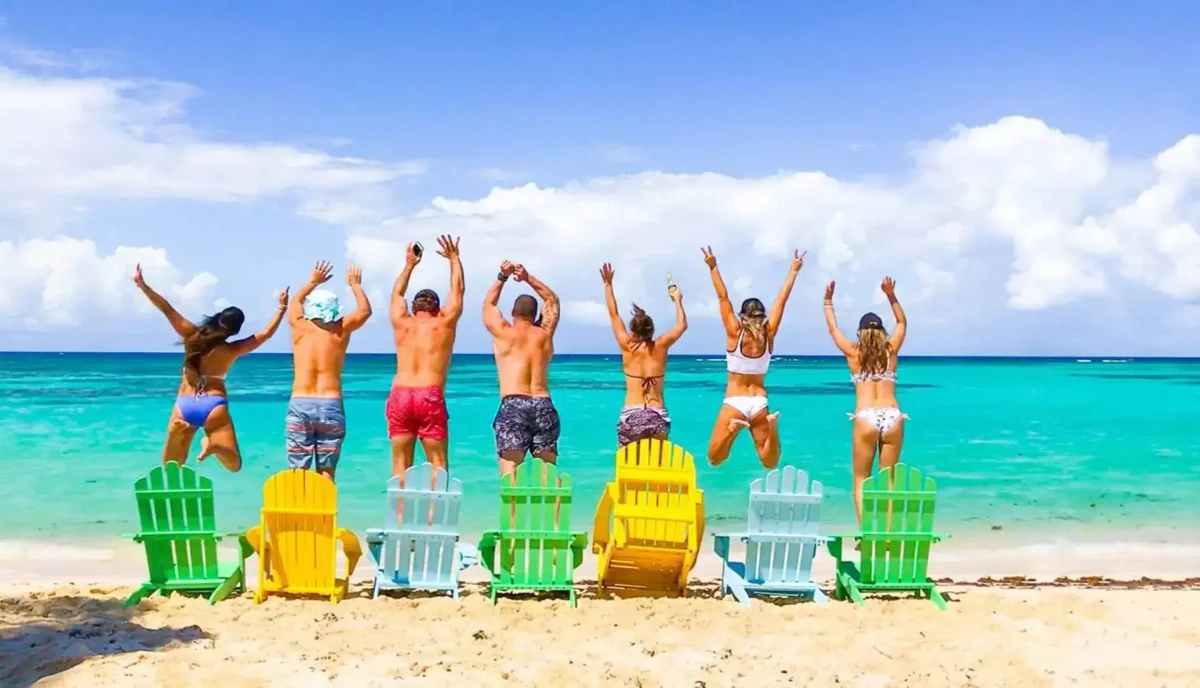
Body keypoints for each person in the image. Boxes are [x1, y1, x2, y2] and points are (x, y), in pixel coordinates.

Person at [133, 263, 287, 472]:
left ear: (217, 317)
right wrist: (282, 308)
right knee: (234, 464)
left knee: (171, 467)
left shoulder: (190, 335)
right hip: (214, 405)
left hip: (185, 402)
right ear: (235, 330)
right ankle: (214, 445)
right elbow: (266, 333)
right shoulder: (233, 349)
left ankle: (175, 433)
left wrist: (143, 286)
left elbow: (167, 308)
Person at [702, 246, 804, 469]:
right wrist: (793, 271)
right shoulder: (768, 335)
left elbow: (722, 297)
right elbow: (781, 300)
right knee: (769, 462)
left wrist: (713, 267)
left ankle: (733, 430)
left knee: (714, 458)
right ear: (762, 316)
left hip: (734, 401)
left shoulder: (735, 333)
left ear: (742, 316)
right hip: (759, 402)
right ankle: (773, 428)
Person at [824, 277, 908, 525]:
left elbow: (833, 329)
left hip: (866, 416)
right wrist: (891, 295)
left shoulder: (853, 352)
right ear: (882, 332)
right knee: (888, 479)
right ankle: (888, 532)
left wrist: (828, 302)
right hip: (893, 416)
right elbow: (902, 322)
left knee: (861, 478)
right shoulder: (891, 350)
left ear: (861, 332)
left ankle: (866, 531)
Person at [285, 261, 373, 482]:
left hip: (301, 402)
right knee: (327, 471)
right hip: (330, 403)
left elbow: (295, 301)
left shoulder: (300, 327)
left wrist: (313, 281)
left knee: (298, 472)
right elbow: (365, 311)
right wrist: (355, 285)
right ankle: (326, 516)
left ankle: (300, 515)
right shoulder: (340, 330)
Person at [386, 235, 464, 480]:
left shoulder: (401, 322)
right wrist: (454, 259)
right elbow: (458, 291)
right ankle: (435, 515)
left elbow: (397, 294)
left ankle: (399, 515)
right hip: (428, 394)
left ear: (413, 307)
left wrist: (409, 265)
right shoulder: (443, 324)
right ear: (437, 308)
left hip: (400, 394)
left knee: (400, 462)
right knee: (437, 462)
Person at [482, 260, 561, 477]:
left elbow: (488, 305)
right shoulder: (544, 334)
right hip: (543, 404)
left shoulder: (503, 332)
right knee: (548, 476)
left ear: (512, 312)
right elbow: (552, 300)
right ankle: (552, 513)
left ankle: (512, 513)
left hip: (514, 404)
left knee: (510, 473)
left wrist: (502, 276)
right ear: (536, 316)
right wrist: (527, 277)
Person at [599, 262, 687, 447]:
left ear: (632, 330)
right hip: (657, 415)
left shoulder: (627, 346)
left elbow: (614, 314)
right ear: (651, 330)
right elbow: (681, 326)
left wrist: (608, 285)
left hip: (631, 414)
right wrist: (677, 300)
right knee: (658, 464)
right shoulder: (660, 346)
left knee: (627, 464)